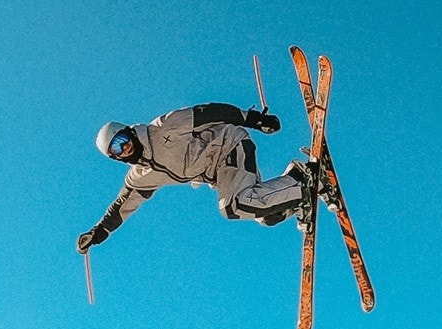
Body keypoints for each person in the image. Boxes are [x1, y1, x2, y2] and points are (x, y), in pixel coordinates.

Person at [77, 103, 311, 252]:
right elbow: (122, 206)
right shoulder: (140, 177)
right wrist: (98, 232)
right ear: (115, 157)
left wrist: (253, 119)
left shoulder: (162, 128)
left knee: (233, 207)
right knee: (266, 215)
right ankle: (296, 189)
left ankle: (303, 182)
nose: (125, 147)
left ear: (128, 131)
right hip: (220, 173)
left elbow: (209, 113)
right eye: (117, 149)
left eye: (122, 139)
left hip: (227, 145)